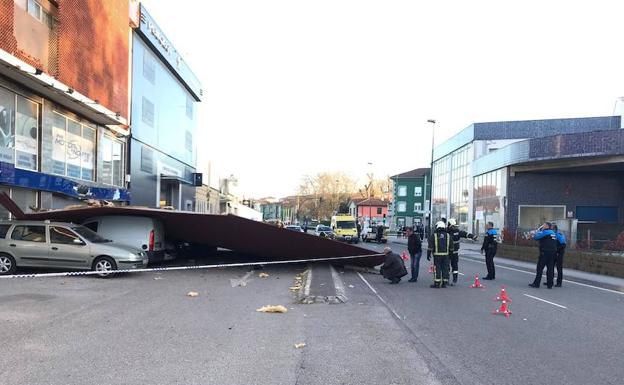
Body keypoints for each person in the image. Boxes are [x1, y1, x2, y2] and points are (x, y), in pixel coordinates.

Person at [446, 218, 476, 285]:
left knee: (455, 267)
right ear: (450, 226)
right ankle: (446, 279)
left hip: (455, 252)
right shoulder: (446, 232)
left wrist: (473, 236)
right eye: (454, 226)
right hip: (447, 252)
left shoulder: (457, 232)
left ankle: (454, 280)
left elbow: (465, 234)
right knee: (446, 266)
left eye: (456, 226)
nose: (455, 227)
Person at [529, 222, 558, 289]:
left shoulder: (545, 232)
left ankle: (536, 284)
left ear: (547, 226)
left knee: (540, 268)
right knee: (550, 268)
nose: (543, 226)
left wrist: (538, 231)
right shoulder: (553, 233)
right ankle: (550, 284)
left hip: (545, 252)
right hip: (553, 252)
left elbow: (536, 237)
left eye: (544, 225)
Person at [427, 221, 451, 288]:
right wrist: (451, 255)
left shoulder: (434, 235)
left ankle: (437, 283)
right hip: (446, 255)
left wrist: (428, 254)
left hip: (437, 255)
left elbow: (430, 246)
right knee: (445, 269)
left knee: (437, 268)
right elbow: (451, 247)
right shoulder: (448, 235)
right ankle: (444, 283)